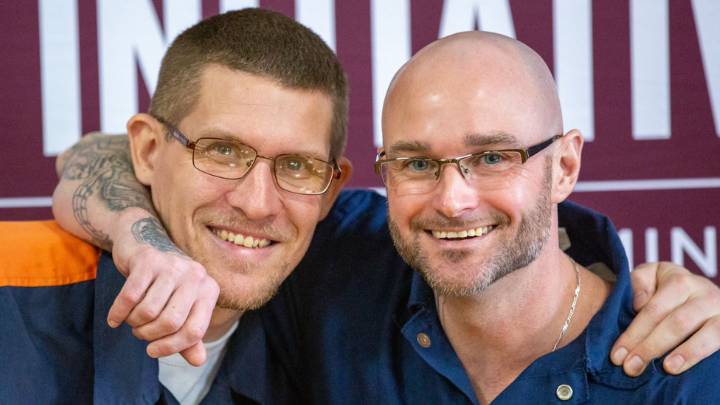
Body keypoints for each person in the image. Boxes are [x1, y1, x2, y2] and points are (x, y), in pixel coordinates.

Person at [46, 11, 719, 404]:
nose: (453, 200)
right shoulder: (339, 251)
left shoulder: (690, 361)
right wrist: (143, 238)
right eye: (418, 163)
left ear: (564, 165)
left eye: (491, 157)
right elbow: (108, 156)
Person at [1, 8, 350, 403]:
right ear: (148, 151)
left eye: (296, 166)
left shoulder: (333, 341)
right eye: (223, 151)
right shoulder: (13, 292)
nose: (257, 205)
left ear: (329, 193)